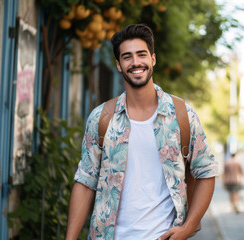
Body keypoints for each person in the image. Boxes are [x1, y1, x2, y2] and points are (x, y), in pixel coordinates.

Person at [65, 24, 219, 240]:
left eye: (141, 54)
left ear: (153, 59)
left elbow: (206, 172)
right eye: (127, 57)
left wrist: (187, 228)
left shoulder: (181, 116)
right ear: (118, 65)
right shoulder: (102, 118)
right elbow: (85, 181)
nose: (136, 62)